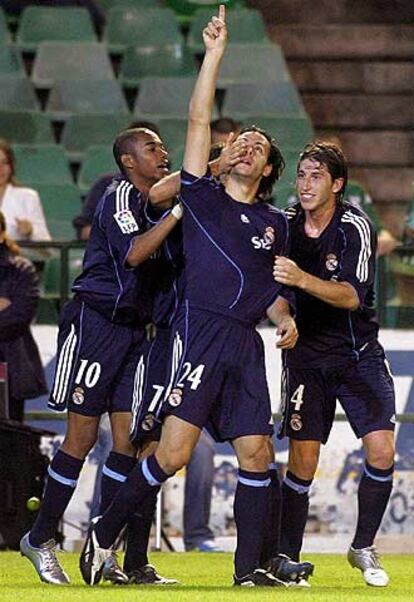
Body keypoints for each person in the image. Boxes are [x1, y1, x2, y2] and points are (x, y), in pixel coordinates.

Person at [78, 6, 305, 588]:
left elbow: (268, 292)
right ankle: (103, 533)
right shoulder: (202, 195)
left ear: (270, 167)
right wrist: (214, 55)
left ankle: (249, 570)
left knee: (258, 456)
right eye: (242, 141)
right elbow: (199, 120)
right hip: (195, 333)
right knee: (172, 455)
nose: (246, 146)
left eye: (257, 144)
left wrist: (284, 317)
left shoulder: (275, 223)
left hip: (245, 345)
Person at [19, 126, 183, 585]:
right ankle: (41, 536)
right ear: (129, 161)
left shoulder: (160, 205)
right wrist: (179, 212)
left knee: (131, 443)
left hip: (136, 332)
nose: (162, 153)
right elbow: (133, 254)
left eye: (163, 147)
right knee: (81, 437)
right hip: (95, 324)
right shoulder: (117, 194)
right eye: (152, 148)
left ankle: (108, 551)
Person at [274, 141, 396, 587]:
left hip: (357, 354)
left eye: (316, 176)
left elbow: (350, 295)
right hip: (306, 358)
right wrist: (284, 317)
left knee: (382, 450)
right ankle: (286, 558)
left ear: (337, 184)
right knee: (302, 462)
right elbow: (274, 291)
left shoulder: (354, 227)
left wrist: (302, 279)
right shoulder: (285, 225)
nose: (305, 184)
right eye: (302, 175)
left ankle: (363, 547)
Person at [0, 212, 47, 422]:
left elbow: (20, 316)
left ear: (2, 234)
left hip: (11, 364)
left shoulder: (21, 269)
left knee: (10, 438)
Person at [0, 139, 51, 243]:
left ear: (11, 167)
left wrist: (31, 231)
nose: (0, 169)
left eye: (5, 163)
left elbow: (48, 248)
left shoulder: (28, 197)